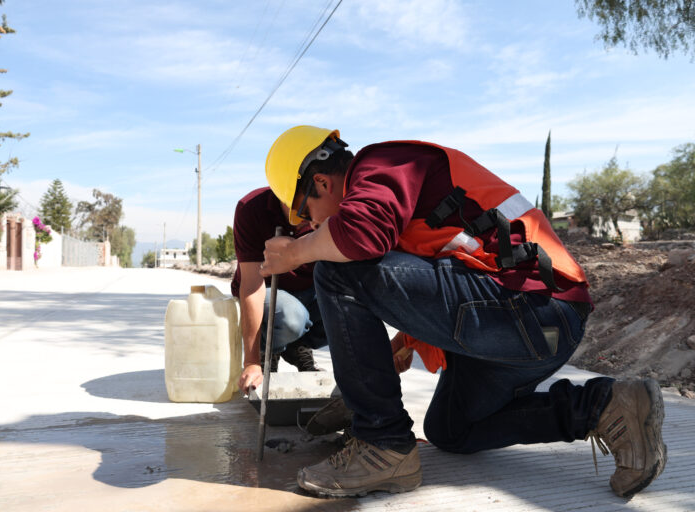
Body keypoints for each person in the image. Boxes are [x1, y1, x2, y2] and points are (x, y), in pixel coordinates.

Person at [259, 125, 667, 499]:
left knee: (336, 271)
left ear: (320, 181)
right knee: (452, 430)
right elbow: (442, 283)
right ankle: (604, 405)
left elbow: (360, 237)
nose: (308, 224)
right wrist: (371, 378)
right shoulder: (394, 202)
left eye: (304, 212)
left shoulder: (382, 163)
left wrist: (295, 252)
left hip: (535, 308)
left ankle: (382, 445)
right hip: (534, 325)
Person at [232, 186, 327, 395]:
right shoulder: (252, 207)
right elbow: (251, 286)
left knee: (346, 306)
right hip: (267, 295)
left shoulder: (330, 203)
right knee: (290, 316)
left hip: (310, 293)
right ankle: (268, 351)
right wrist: (251, 361)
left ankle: (295, 346)